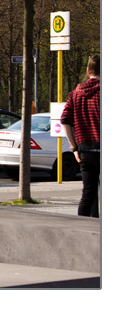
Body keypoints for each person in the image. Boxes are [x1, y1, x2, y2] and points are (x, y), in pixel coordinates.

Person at [61, 54, 100, 218]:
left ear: (87, 70)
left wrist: (74, 147)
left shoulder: (76, 94)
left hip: (85, 150)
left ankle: (82, 233)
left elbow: (64, 121)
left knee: (88, 194)